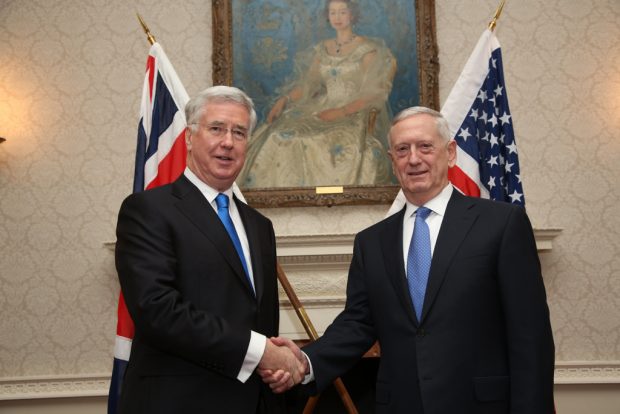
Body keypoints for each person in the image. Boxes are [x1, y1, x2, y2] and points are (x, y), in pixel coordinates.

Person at [262, 107, 555, 413]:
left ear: (451, 153)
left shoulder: (502, 224)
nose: (414, 159)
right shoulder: (371, 242)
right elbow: (357, 324)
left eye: (425, 146)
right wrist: (304, 362)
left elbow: (530, 338)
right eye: (402, 150)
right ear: (392, 161)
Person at [115, 86, 304, 414]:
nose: (228, 142)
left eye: (239, 132)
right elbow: (157, 311)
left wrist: (278, 364)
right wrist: (261, 351)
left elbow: (258, 320)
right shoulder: (148, 210)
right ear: (189, 137)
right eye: (216, 128)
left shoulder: (260, 226)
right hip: (177, 403)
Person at [238, 0, 397, 188]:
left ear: (352, 15)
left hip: (353, 112)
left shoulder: (367, 50)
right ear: (328, 17)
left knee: (319, 142)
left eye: (342, 12)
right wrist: (284, 99)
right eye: (333, 13)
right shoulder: (322, 49)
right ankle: (283, 193)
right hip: (320, 107)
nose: (337, 17)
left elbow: (374, 93)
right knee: (279, 134)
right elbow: (309, 85)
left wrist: (342, 111)